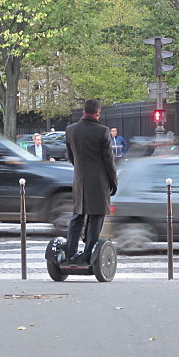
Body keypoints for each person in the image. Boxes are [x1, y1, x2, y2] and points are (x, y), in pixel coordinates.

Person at [65, 99, 117, 265]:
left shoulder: (71, 130)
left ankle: (70, 254)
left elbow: (71, 156)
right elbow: (108, 160)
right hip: (99, 182)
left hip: (79, 180)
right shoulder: (102, 131)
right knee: (96, 217)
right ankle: (87, 256)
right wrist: (113, 181)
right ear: (98, 113)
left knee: (77, 216)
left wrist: (81, 170)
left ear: (83, 112)